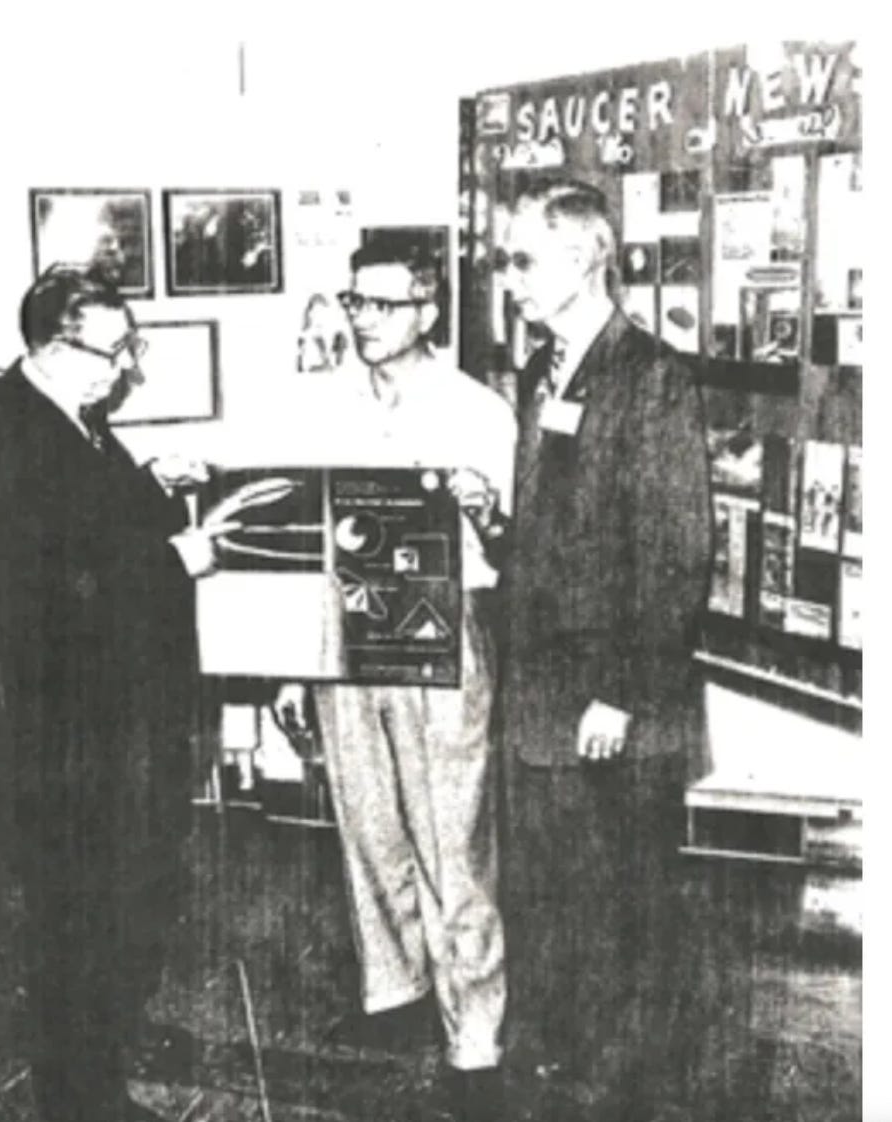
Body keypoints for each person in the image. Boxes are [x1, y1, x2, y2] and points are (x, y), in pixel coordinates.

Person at [0, 266, 231, 1122]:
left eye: (127, 349)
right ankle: (78, 1099)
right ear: (51, 347)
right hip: (74, 724)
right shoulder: (12, 431)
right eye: (111, 352)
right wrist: (174, 561)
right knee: (76, 910)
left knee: (115, 895)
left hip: (112, 711)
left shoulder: (67, 413)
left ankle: (100, 1064)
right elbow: (62, 586)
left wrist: (149, 482)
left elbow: (86, 528)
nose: (124, 369)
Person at [492, 178, 726, 1121]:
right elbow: (558, 533)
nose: (510, 279)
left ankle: (621, 1092)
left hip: (613, 702)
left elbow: (677, 552)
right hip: (546, 699)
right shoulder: (542, 372)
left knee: (625, 910)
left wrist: (622, 693)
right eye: (506, 260)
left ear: (586, 255)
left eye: (523, 259)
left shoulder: (651, 375)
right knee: (558, 899)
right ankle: (571, 1070)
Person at [273, 238, 516, 1122]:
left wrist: (483, 506)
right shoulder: (326, 405)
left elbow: (508, 544)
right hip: (348, 631)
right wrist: (297, 665)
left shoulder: (477, 410)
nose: (365, 320)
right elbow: (310, 541)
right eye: (357, 302)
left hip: (442, 629)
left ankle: (475, 1038)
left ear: (428, 311)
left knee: (453, 842)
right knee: (368, 827)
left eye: (384, 304)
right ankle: (398, 992)